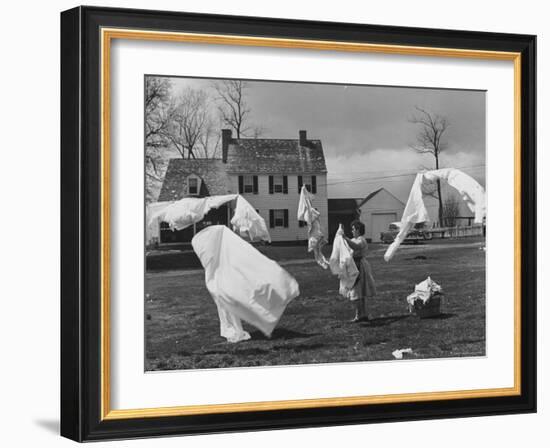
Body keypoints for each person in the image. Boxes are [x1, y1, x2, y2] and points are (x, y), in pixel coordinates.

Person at [338, 220, 377, 322]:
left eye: (353, 229)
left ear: (358, 230)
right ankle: (362, 314)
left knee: (359, 292)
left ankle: (360, 315)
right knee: (358, 292)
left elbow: (356, 246)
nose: (352, 231)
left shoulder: (361, 240)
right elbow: (347, 246)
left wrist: (344, 237)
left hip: (360, 267)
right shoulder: (353, 239)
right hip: (354, 266)